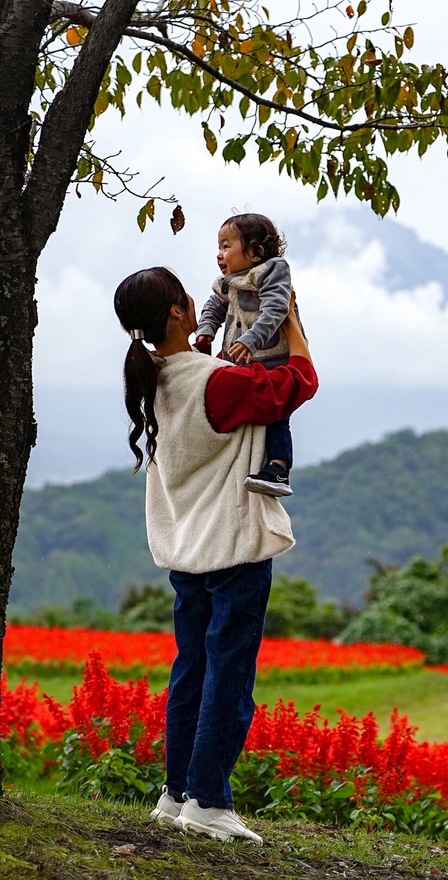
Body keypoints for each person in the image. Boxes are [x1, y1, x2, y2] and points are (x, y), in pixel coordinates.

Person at [113, 266, 318, 844]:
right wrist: (291, 319)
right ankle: (208, 800)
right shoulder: (216, 383)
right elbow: (300, 381)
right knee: (228, 679)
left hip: (185, 551)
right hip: (231, 547)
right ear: (180, 311)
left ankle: (176, 793)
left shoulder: (152, 378)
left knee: (190, 673)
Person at [196, 212, 301, 498]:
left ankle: (278, 468)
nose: (220, 254)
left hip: (272, 360)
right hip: (238, 361)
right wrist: (206, 330)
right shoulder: (227, 281)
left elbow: (277, 309)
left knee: (278, 413)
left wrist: (252, 339)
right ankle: (231, 464)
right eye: (219, 247)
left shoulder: (272, 271)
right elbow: (213, 307)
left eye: (227, 246)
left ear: (255, 252)